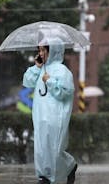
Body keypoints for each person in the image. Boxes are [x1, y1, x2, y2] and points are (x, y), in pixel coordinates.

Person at [23, 38, 77, 184]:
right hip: (40, 114)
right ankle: (44, 176)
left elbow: (65, 92)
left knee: (54, 147)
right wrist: (36, 67)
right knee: (41, 147)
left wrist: (50, 81)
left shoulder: (62, 71)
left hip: (56, 115)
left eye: (43, 50)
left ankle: (65, 167)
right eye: (39, 50)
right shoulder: (41, 69)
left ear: (52, 50)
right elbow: (27, 81)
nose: (40, 53)